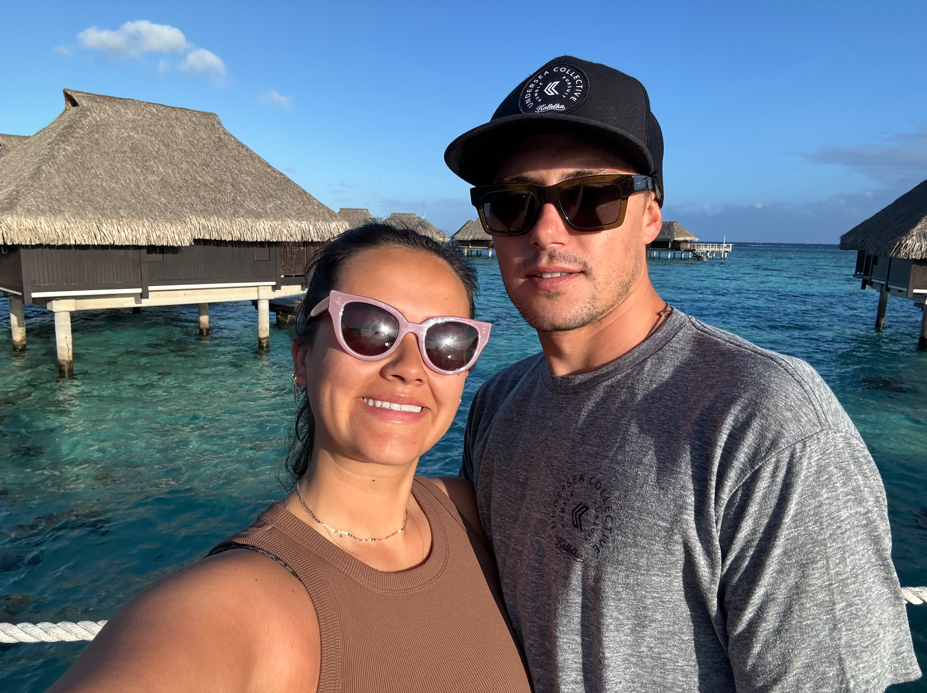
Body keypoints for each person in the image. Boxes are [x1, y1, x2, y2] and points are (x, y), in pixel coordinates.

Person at [444, 55, 921, 691]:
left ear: (649, 216)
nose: (546, 231)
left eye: (592, 199)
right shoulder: (498, 403)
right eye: (512, 204)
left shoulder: (766, 421)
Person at [48, 224, 532, 693]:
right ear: (302, 359)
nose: (409, 368)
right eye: (367, 328)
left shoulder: (471, 512)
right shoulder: (234, 605)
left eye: (447, 341)